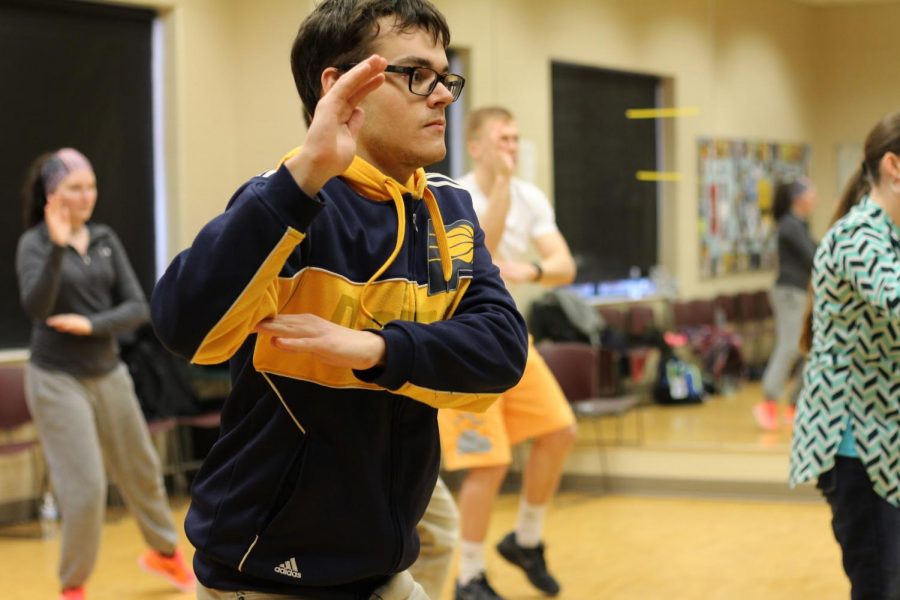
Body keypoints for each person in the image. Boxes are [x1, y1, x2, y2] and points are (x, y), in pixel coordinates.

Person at [149, 1, 529, 598]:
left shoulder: (449, 209)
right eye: (416, 75)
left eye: (445, 76)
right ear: (341, 86)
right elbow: (184, 327)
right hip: (269, 572)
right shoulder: (290, 204)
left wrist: (375, 348)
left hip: (381, 566)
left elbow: (502, 352)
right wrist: (304, 176)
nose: (443, 96)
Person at [15, 148, 195, 600]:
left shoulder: (105, 239)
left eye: (91, 186)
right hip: (57, 378)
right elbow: (36, 306)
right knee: (86, 488)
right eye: (75, 188)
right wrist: (57, 246)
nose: (87, 196)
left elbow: (138, 306)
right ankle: (73, 584)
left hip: (107, 369)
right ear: (51, 195)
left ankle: (165, 553)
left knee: (142, 469)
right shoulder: (35, 244)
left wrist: (93, 324)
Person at [437, 107, 578, 600]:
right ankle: (469, 576)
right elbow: (482, 250)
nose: (511, 148)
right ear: (475, 146)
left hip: (511, 337)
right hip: (462, 344)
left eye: (516, 139)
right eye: (502, 140)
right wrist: (498, 186)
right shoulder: (453, 195)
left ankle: (525, 539)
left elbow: (563, 265)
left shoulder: (531, 197)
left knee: (560, 430)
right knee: (489, 463)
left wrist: (534, 272)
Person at [790, 111, 900, 599]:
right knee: (880, 586)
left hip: (887, 439)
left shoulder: (890, 233)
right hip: (860, 448)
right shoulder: (860, 235)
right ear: (894, 166)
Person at [753, 178, 817, 431]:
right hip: (788, 293)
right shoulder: (789, 226)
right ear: (798, 199)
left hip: (801, 292)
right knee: (790, 346)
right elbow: (813, 256)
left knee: (807, 349)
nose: (815, 199)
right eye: (812, 194)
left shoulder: (800, 224)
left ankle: (795, 404)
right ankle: (768, 401)